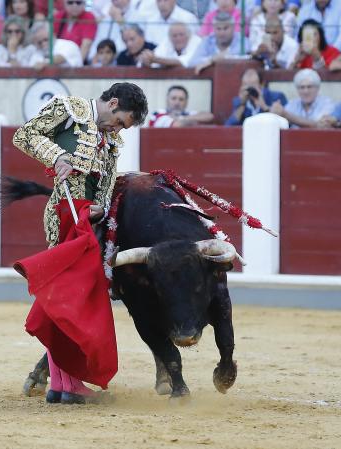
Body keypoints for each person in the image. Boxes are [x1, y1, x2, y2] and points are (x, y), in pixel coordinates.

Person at [12, 82, 148, 405]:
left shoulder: (112, 140)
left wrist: (100, 209)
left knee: (73, 298)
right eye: (120, 120)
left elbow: (105, 183)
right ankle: (64, 382)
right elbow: (24, 135)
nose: (118, 128)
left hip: (88, 219)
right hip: (63, 212)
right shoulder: (67, 108)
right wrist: (56, 155)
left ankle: (62, 383)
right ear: (112, 102)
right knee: (65, 298)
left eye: (124, 126)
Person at [269, 68, 335, 129]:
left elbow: (319, 125)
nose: (305, 91)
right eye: (302, 87)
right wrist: (276, 113)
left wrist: (286, 115)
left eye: (309, 87)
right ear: (297, 90)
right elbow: (281, 121)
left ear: (317, 88)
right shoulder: (292, 104)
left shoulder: (327, 103)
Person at [148, 85, 215, 127]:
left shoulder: (186, 114)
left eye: (181, 99)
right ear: (167, 100)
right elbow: (176, 125)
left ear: (186, 102)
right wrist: (193, 120)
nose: (177, 102)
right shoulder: (157, 113)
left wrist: (182, 118)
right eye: (173, 98)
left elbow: (209, 116)